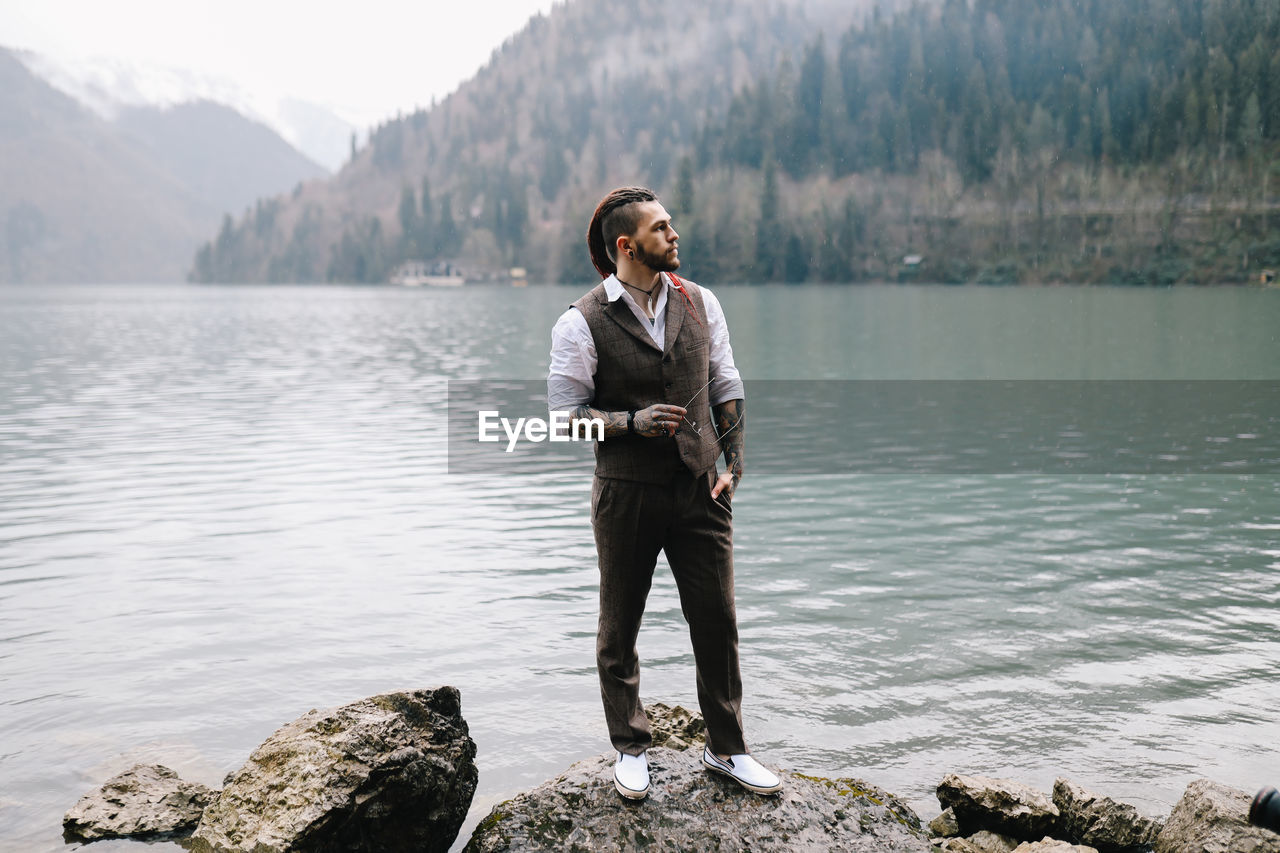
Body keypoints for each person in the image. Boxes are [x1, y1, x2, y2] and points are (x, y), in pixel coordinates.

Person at [547, 186, 782, 800]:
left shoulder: (701, 301)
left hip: (702, 489)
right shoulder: (579, 321)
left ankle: (727, 748)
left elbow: (725, 381)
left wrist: (736, 461)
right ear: (628, 246)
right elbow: (565, 415)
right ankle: (629, 747)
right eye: (662, 227)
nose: (675, 234)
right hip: (626, 495)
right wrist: (629, 423)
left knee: (717, 620)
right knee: (619, 624)